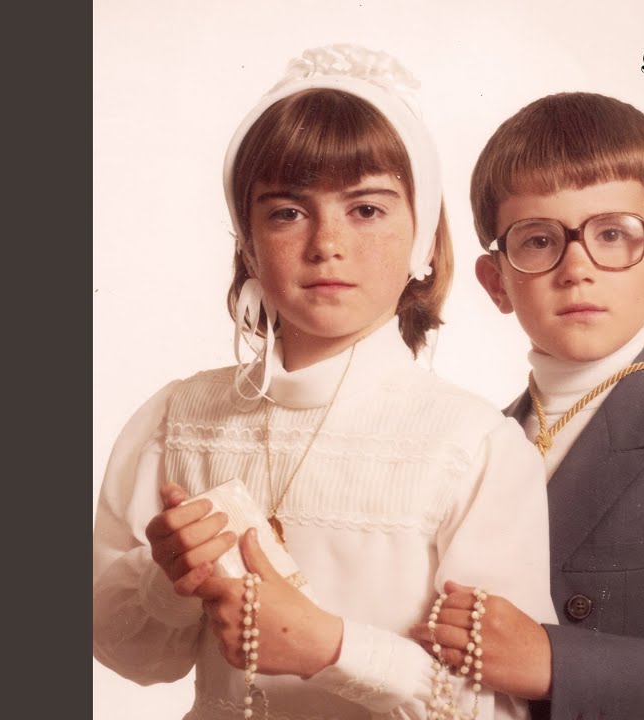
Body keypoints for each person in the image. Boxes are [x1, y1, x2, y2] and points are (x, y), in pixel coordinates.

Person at [93, 44, 556, 720]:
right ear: (247, 242)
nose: (326, 244)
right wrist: (169, 581)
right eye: (287, 212)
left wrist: (331, 649)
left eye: (366, 210)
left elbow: (501, 707)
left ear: (424, 239)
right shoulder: (180, 417)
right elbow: (133, 659)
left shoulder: (473, 445)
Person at [413, 92, 644, 719]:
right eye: (539, 240)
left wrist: (550, 661)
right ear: (496, 281)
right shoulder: (471, 440)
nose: (577, 268)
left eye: (613, 234)